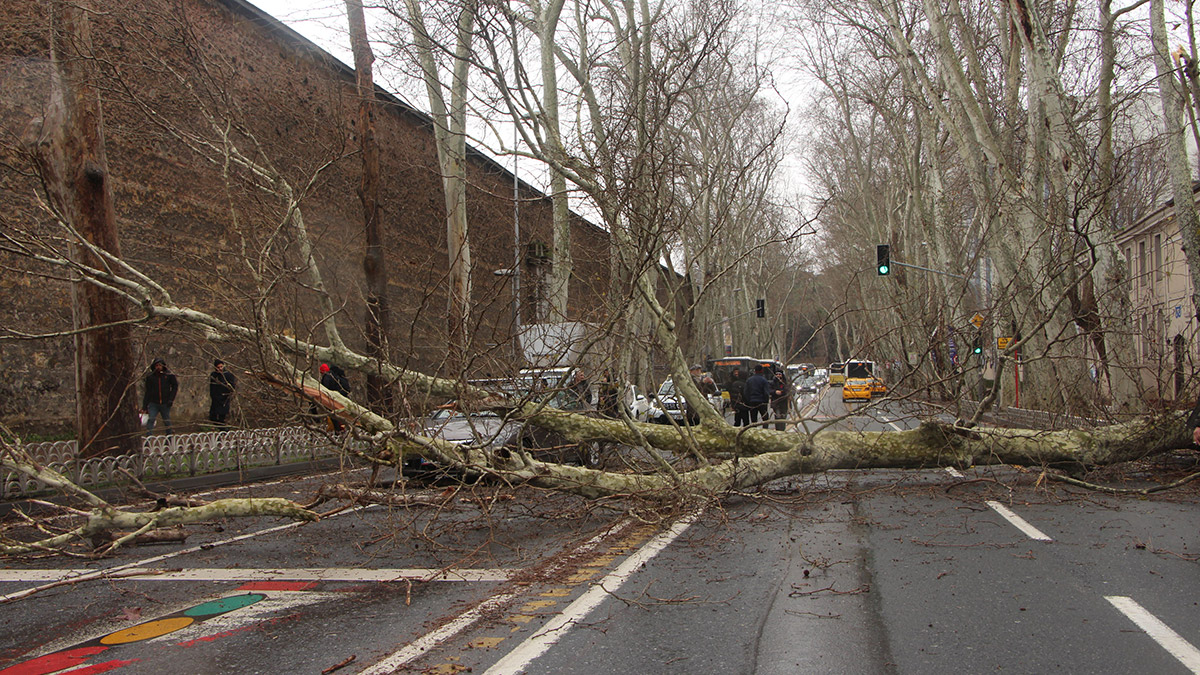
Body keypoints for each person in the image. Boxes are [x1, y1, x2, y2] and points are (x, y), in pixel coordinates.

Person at [141, 357, 178, 435]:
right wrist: (145, 405)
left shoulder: (168, 375)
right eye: (157, 365)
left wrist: (171, 399)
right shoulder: (150, 376)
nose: (158, 367)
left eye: (160, 365)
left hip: (165, 402)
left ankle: (169, 436)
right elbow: (148, 391)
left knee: (166, 420)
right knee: (151, 419)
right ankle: (149, 437)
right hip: (153, 402)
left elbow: (175, 386)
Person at [320, 363, 349, 431]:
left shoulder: (327, 377)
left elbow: (325, 389)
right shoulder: (340, 376)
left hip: (333, 400)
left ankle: (337, 430)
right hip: (344, 398)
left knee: (333, 416)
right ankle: (343, 428)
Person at [208, 359, 237, 426]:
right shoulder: (214, 375)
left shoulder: (228, 375)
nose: (220, 369)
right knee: (212, 417)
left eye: (221, 367)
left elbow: (232, 387)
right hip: (216, 399)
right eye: (218, 367)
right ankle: (222, 430)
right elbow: (212, 387)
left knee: (222, 417)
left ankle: (223, 431)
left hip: (224, 399)